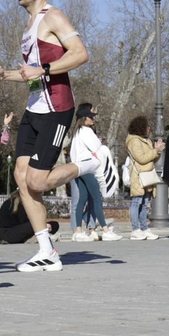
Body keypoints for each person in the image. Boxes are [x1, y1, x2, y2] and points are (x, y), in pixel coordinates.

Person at [0, 0, 94, 273]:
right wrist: (5, 74)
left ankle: (88, 164)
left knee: (36, 179)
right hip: (33, 109)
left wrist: (43, 69)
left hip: (57, 110)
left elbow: (80, 53)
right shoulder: (29, 26)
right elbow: (33, 76)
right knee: (22, 180)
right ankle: (47, 251)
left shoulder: (53, 17)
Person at [69, 103, 116, 241]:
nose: (93, 119)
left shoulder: (76, 132)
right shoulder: (87, 131)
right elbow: (97, 148)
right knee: (96, 198)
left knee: (82, 199)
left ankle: (78, 230)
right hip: (88, 167)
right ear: (84, 118)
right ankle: (105, 229)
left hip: (77, 168)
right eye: (90, 117)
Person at [125, 116, 161, 240]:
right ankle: (135, 229)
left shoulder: (147, 140)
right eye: (147, 126)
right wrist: (155, 151)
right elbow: (141, 158)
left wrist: (158, 151)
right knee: (137, 202)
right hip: (139, 175)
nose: (149, 129)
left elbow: (152, 159)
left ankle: (144, 228)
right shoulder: (134, 141)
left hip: (147, 174)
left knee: (145, 203)